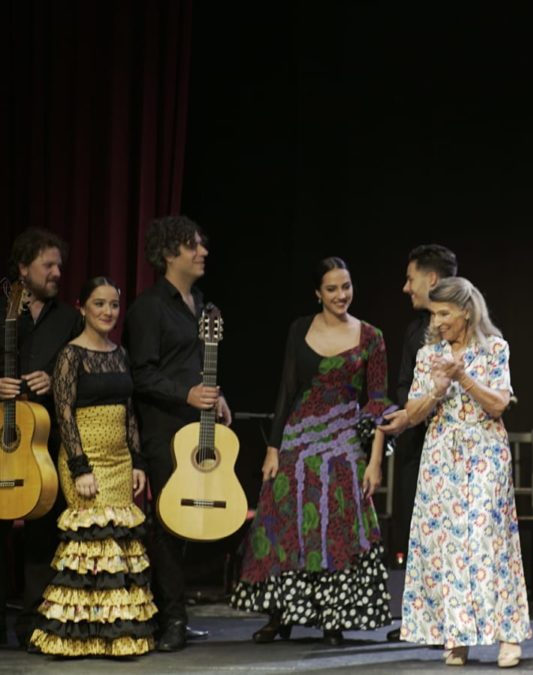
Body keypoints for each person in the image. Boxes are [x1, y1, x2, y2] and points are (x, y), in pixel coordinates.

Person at [229, 257, 394, 645]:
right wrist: (273, 448)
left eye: (346, 286)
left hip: (343, 445)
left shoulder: (371, 336)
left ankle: (332, 618)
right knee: (285, 526)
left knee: (335, 531)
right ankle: (280, 615)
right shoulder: (300, 329)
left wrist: (374, 459)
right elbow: (287, 389)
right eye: (332, 288)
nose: (341, 295)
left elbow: (378, 403)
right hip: (297, 443)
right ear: (317, 293)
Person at [397, 277, 530, 668]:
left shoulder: (495, 350)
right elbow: (411, 414)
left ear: (466, 312)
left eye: (444, 313)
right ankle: (456, 636)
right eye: (433, 314)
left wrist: (462, 377)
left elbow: (499, 405)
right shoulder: (428, 356)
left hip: (484, 452)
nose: (436, 322)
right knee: (445, 545)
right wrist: (437, 388)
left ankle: (508, 634)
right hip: (441, 457)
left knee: (488, 540)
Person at [29, 277, 156, 655]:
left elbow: (129, 411)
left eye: (114, 305)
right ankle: (77, 637)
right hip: (84, 458)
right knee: (89, 545)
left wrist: (137, 461)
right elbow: (64, 413)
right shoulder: (71, 354)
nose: (108, 312)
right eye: (99, 304)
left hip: (119, 459)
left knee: (118, 544)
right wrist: (81, 467)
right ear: (82, 307)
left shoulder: (120, 353)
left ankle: (114, 635)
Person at [124, 215, 231, 652]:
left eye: (202, 245)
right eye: (193, 246)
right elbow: (140, 374)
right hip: (164, 430)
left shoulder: (201, 304)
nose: (202, 252)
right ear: (170, 254)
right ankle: (171, 620)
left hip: (197, 429)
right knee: (169, 525)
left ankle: (176, 613)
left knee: (190, 524)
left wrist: (216, 397)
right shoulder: (149, 307)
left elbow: (195, 368)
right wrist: (186, 395)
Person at [0, 228, 80, 649]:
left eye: (59, 265)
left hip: (45, 445)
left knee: (41, 536)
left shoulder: (69, 319)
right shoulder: (4, 310)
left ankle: (32, 624)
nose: (56, 272)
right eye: (47, 265)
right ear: (22, 269)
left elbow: (87, 371)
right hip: (1, 442)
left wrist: (57, 379)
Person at [377, 244, 458, 643]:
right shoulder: (414, 332)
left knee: (455, 535)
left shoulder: (469, 326)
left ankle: (456, 619)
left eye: (411, 279)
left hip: (456, 448)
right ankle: (421, 620)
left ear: (433, 280)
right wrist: (401, 415)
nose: (406, 288)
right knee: (419, 533)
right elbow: (403, 386)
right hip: (417, 447)